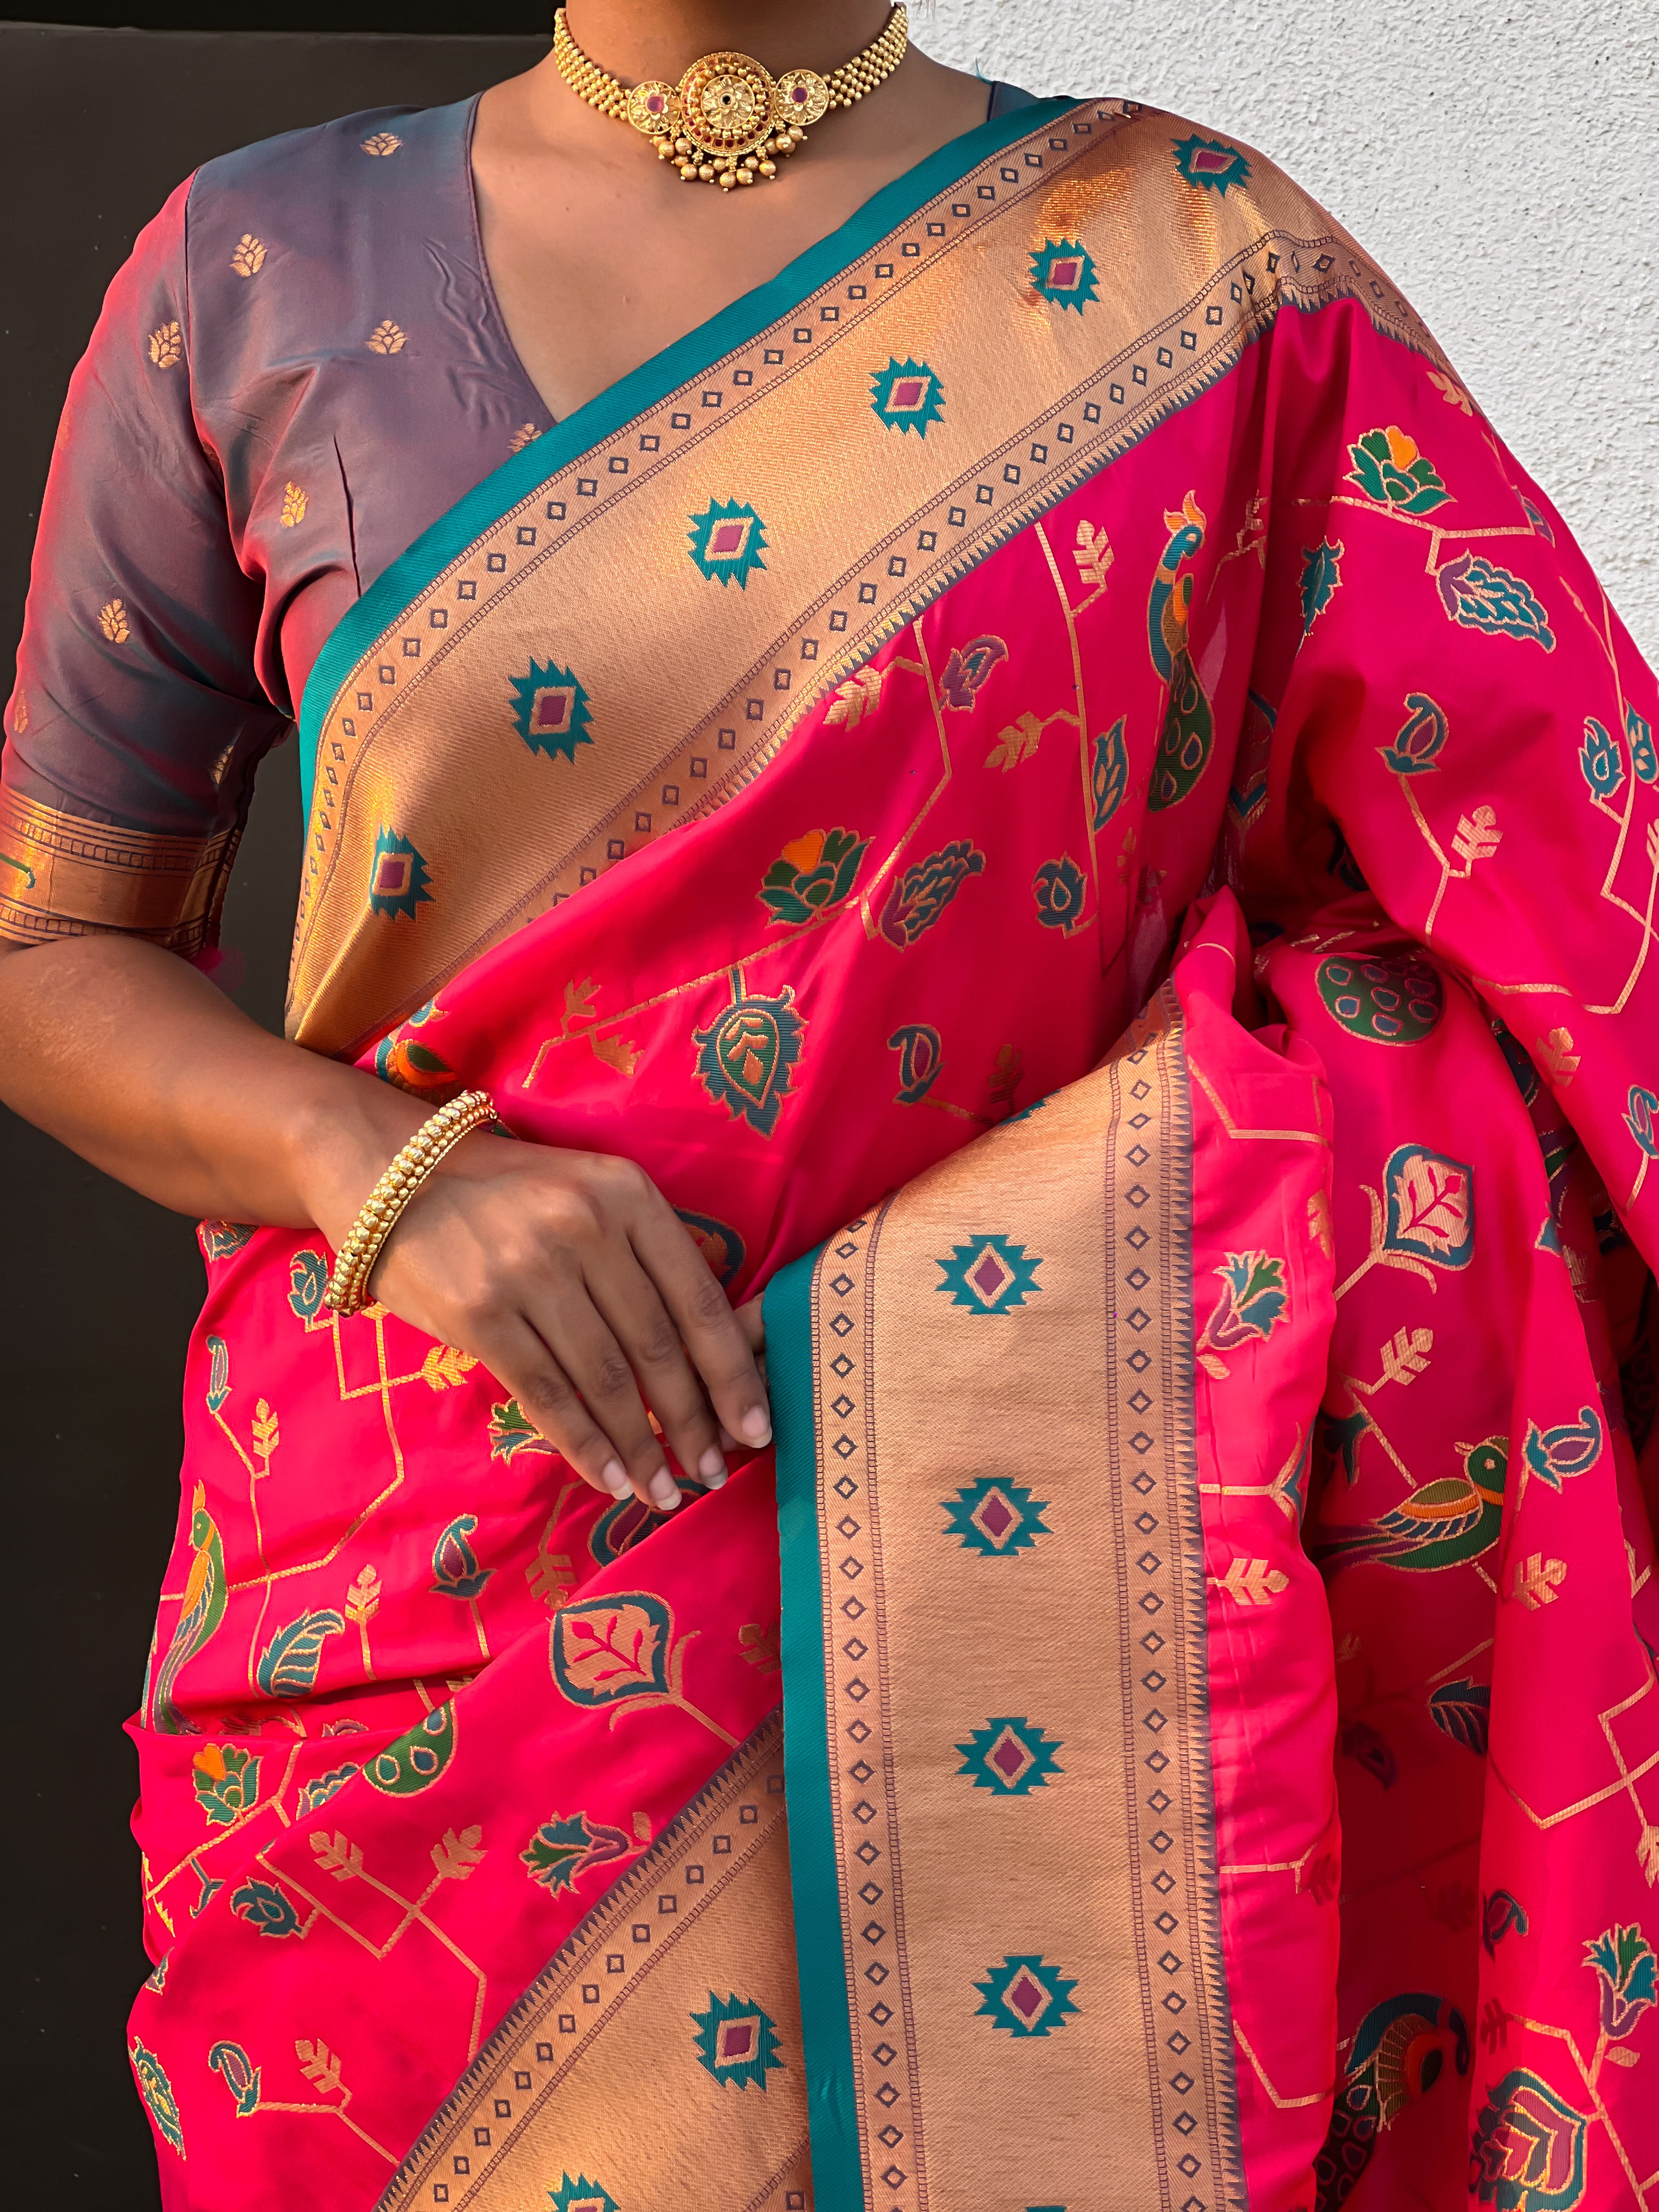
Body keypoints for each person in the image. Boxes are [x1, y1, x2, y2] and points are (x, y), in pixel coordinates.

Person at [4, 4, 1657, 2205]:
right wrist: (380, 1165)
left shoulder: (1192, 263)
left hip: (1066, 1585)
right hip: (419, 1621)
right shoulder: (258, 270)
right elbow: (47, 952)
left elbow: (1569, 898)